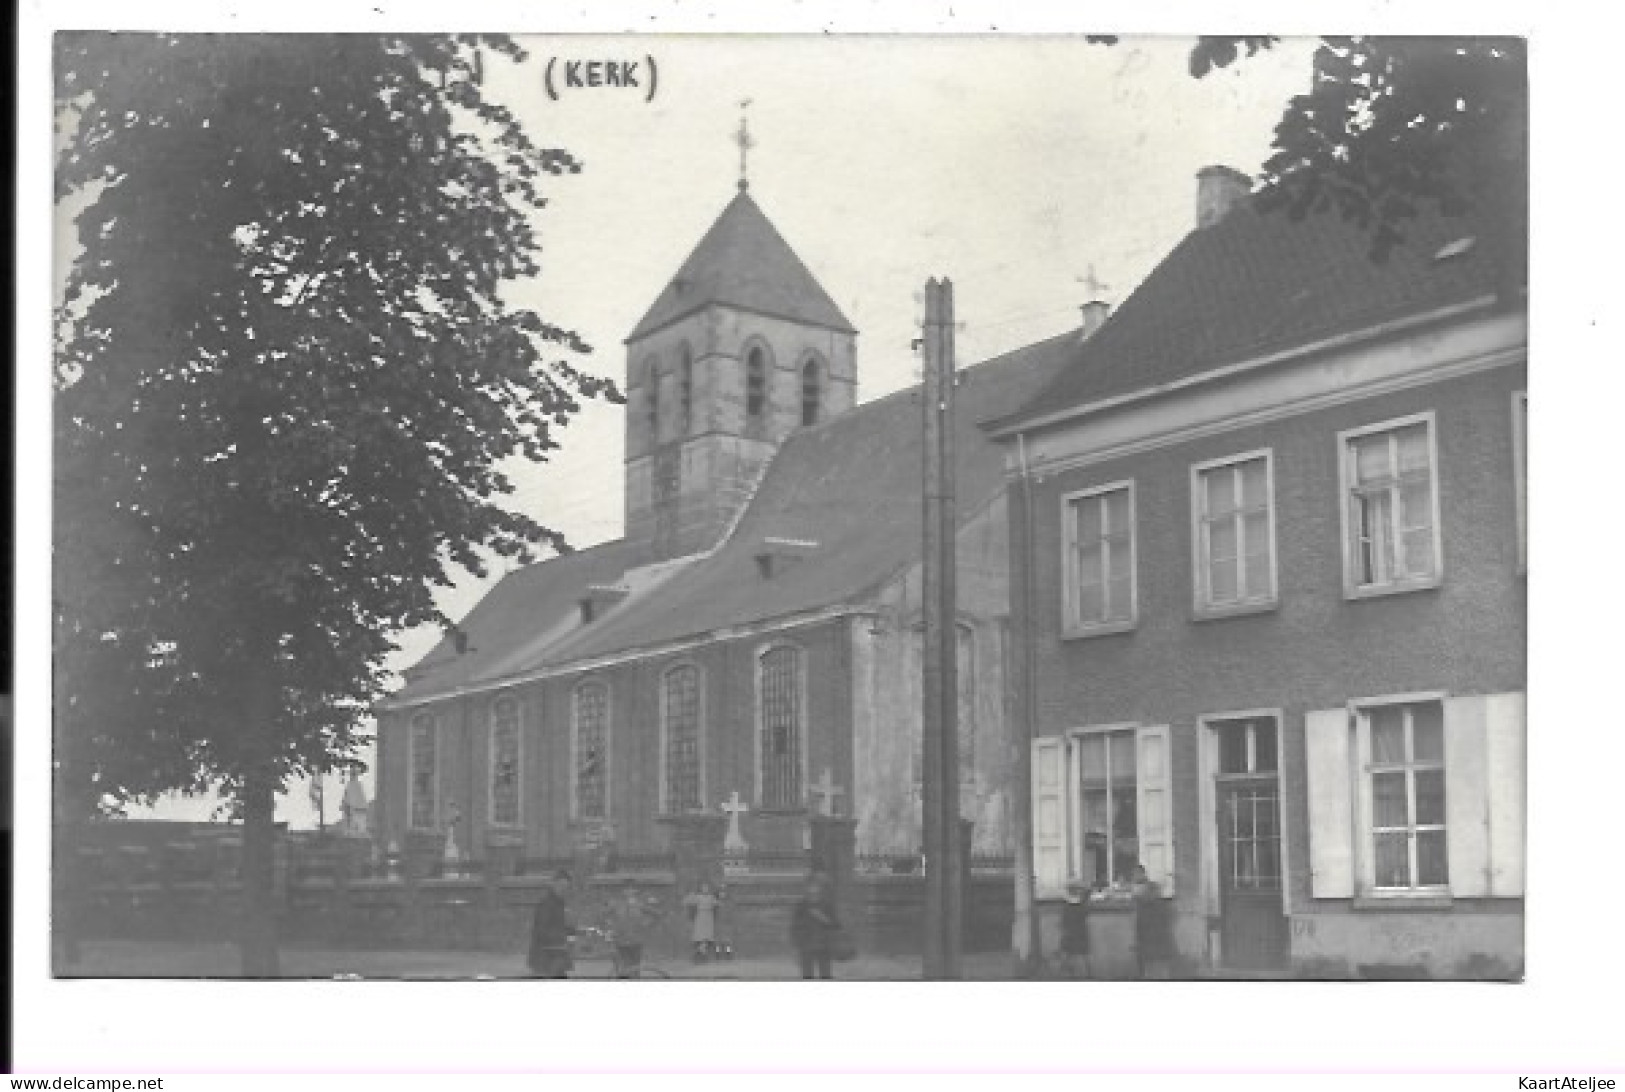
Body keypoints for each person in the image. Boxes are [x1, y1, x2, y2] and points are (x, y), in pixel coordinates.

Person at [790, 871, 842, 980]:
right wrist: (795, 945)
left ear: (820, 888)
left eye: (816, 885)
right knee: (807, 975)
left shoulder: (827, 904)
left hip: (824, 945)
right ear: (806, 888)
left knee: (825, 975)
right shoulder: (801, 905)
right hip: (806, 945)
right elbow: (794, 926)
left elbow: (836, 925)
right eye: (811, 885)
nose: (813, 888)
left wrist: (823, 918)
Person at [527, 869, 575, 979]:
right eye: (561, 886)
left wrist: (574, 931)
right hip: (545, 957)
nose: (563, 890)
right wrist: (562, 937)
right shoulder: (546, 904)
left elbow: (561, 926)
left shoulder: (560, 903)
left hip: (556, 956)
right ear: (553, 884)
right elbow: (541, 931)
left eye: (566, 888)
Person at [1131, 863, 1166, 979]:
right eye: (1134, 874)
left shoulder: (1150, 887)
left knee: (1150, 954)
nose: (1135, 876)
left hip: (1150, 925)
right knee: (1140, 951)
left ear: (1143, 873)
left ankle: (1148, 975)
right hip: (1140, 923)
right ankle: (1142, 975)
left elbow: (1152, 900)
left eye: (1137, 873)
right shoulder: (1136, 887)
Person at [1059, 880, 1092, 979]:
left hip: (1070, 932)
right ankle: (1087, 973)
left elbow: (1064, 921)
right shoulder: (1081, 906)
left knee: (1068, 952)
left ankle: (1068, 971)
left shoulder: (1066, 906)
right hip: (1080, 931)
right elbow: (1085, 914)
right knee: (1082, 953)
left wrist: (1064, 929)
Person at [683, 881, 722, 963]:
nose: (705, 889)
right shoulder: (698, 897)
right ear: (701, 889)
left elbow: (717, 904)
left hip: (708, 916)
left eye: (706, 888)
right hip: (700, 915)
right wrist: (690, 896)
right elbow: (686, 902)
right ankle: (700, 952)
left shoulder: (711, 897)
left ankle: (702, 951)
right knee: (700, 934)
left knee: (707, 935)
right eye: (704, 888)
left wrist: (720, 896)